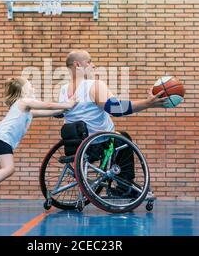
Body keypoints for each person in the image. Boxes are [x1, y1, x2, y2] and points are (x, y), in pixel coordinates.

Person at [58, 50, 168, 196]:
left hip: (76, 147)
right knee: (124, 138)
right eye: (89, 61)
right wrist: (147, 103)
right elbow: (115, 108)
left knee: (120, 136)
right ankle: (126, 186)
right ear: (77, 65)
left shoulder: (63, 90)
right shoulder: (94, 85)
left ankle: (123, 182)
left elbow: (59, 114)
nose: (93, 65)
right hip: (98, 144)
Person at [0, 76, 76, 212]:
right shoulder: (24, 101)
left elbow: (49, 111)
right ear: (23, 91)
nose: (34, 88)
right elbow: (48, 105)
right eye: (30, 85)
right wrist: (68, 104)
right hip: (1, 138)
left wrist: (63, 110)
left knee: (0, 171)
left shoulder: (27, 110)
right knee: (9, 169)